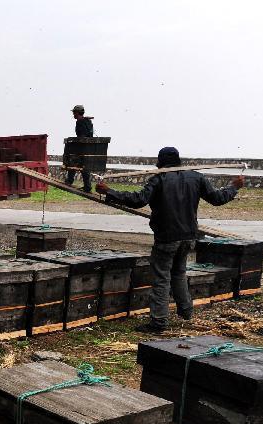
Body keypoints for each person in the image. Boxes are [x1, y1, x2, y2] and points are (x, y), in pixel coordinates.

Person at [96, 147, 244, 333]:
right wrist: (234, 187)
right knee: (179, 273)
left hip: (167, 238)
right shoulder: (196, 177)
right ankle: (186, 311)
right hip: (189, 237)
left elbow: (138, 199)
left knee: (161, 278)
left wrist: (109, 191)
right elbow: (217, 198)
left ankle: (159, 322)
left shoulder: (158, 179)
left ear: (161, 163)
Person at [65, 104, 94, 192]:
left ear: (77, 113)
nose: (73, 114)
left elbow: (82, 136)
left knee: (71, 159)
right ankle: (87, 186)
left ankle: (69, 180)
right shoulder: (88, 121)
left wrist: (72, 141)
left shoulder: (80, 122)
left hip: (82, 148)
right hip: (88, 148)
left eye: (74, 112)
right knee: (83, 166)